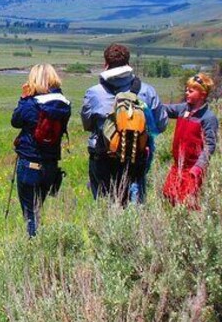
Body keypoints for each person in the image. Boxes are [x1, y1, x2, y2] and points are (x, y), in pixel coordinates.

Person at [81, 44, 168, 204]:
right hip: (137, 156)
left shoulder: (94, 92)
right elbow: (161, 125)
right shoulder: (147, 91)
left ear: (105, 64)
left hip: (103, 156)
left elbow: (87, 124)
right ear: (128, 63)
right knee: (133, 205)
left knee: (105, 204)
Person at [11, 64, 71, 237]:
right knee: (38, 208)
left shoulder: (30, 104)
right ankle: (38, 243)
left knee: (30, 214)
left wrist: (23, 98)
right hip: (51, 166)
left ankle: (34, 249)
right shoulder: (64, 105)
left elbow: (15, 121)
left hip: (30, 162)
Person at [162, 73, 218, 209]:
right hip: (177, 166)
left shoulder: (208, 118)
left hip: (192, 169)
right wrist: (149, 103)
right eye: (186, 90)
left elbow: (210, 145)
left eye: (191, 91)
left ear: (203, 94)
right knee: (170, 197)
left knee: (188, 204)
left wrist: (199, 167)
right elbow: (165, 109)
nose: (187, 93)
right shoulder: (183, 109)